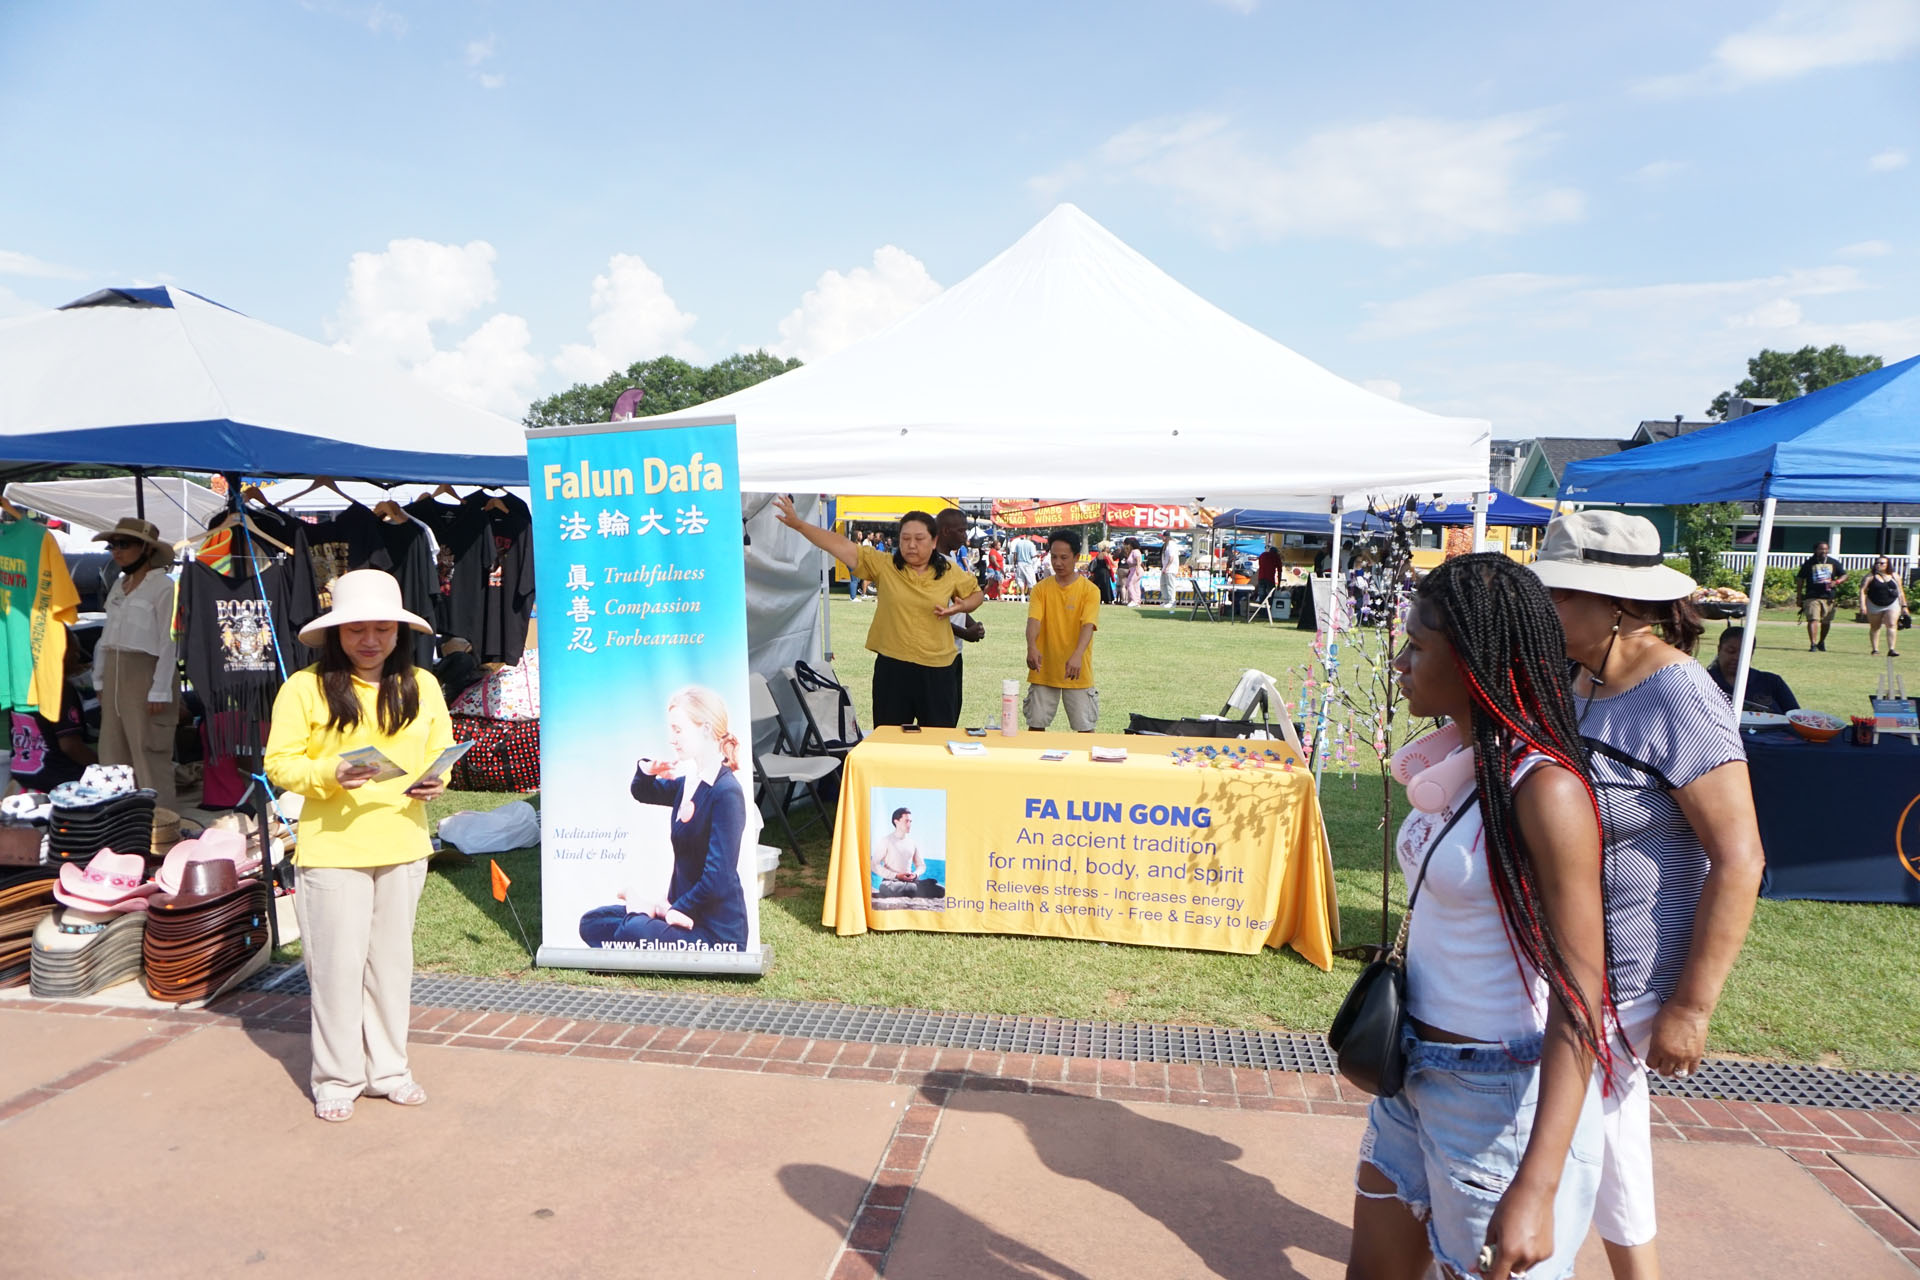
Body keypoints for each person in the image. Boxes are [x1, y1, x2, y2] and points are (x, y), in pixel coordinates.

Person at [1352, 552, 1609, 1280]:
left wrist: (1538, 1182)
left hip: (1496, 1095)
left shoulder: (1546, 790)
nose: (1401, 662)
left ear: (1474, 661)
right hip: (1410, 1076)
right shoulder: (1463, 762)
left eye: (1418, 647)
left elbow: (1581, 995)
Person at [1532, 511, 1765, 1280]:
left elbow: (1740, 859)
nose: (1545, 609)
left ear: (1620, 607)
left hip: (1629, 979)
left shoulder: (1679, 695)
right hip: (1567, 967)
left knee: (1567, 1142)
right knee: (1605, 1140)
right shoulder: (1574, 675)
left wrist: (1692, 1009)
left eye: (1560, 596)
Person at [264, 569, 451, 1124]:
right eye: (356, 630)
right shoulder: (304, 688)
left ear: (400, 631)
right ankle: (337, 1077)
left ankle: (390, 1070)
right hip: (332, 851)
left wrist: (436, 779)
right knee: (336, 970)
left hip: (404, 843)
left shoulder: (422, 684)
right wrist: (329, 772)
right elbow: (279, 762)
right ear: (336, 633)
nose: (370, 641)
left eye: (382, 629)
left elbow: (439, 747)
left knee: (391, 966)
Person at [774, 498, 982, 727]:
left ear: (934, 541)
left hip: (938, 671)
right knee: (887, 738)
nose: (911, 545)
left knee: (936, 742)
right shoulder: (884, 565)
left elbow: (976, 594)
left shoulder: (949, 570)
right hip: (893, 669)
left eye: (919, 539)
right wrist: (799, 524)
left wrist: (961, 606)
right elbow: (839, 545)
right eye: (905, 538)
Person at [580, 686, 750, 951]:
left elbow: (719, 876)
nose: (672, 739)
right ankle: (644, 913)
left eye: (678, 730)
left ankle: (642, 913)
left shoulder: (726, 792)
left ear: (705, 729)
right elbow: (643, 791)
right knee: (591, 922)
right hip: (678, 914)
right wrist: (646, 770)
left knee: (633, 929)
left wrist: (670, 909)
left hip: (715, 933)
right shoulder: (689, 784)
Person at [91, 517, 180, 808]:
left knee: (148, 752)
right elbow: (106, 636)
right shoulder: (119, 585)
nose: (116, 551)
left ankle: (161, 825)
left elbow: (170, 640)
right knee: (112, 752)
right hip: (116, 670)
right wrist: (100, 678)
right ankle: (120, 822)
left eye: (123, 544)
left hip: (147, 671)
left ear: (145, 548)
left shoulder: (163, 587)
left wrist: (159, 689)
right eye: (112, 545)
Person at [1025, 528, 1101, 732]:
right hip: (1044, 667)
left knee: (1085, 728)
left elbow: (1088, 625)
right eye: (1054, 557)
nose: (1057, 563)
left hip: (1078, 669)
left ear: (1076, 557)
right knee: (1036, 725)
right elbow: (1033, 620)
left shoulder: (1090, 591)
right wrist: (1031, 646)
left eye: (1064, 557)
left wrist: (1077, 655)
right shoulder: (1041, 589)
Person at [12, 634, 96, 790]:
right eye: (74, 651)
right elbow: (69, 746)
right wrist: (101, 765)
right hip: (60, 781)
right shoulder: (59, 688)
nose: (77, 657)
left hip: (22, 776)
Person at [1704, 628, 1799, 715]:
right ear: (1719, 649)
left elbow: (1796, 717)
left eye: (1744, 653)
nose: (1737, 658)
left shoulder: (1772, 682)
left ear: (1752, 653)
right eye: (1731, 651)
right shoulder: (1703, 681)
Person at [871, 807, 941, 898]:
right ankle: (916, 888)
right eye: (906, 821)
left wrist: (915, 874)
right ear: (896, 821)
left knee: (941, 890)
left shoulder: (912, 843)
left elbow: (921, 865)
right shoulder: (886, 841)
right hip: (891, 882)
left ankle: (913, 888)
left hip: (910, 881)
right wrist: (896, 875)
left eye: (910, 821)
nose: (909, 824)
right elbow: (874, 864)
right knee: (885, 887)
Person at [1795, 541, 1847, 652]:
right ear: (1815, 550)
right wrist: (1799, 596)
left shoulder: (1833, 563)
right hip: (1812, 596)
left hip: (1828, 597)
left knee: (1826, 622)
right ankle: (1813, 644)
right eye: (1821, 549)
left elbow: (1844, 575)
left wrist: (1836, 582)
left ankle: (1821, 642)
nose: (1824, 551)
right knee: (1813, 619)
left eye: (1826, 549)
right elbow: (1800, 579)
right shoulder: (1809, 563)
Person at [1862, 555, 1907, 657]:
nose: (1879, 565)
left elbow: (1900, 592)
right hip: (1874, 604)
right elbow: (1863, 591)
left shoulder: (1895, 576)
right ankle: (1875, 649)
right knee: (1875, 627)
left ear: (1887, 565)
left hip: (1892, 603)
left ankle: (1891, 649)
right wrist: (1863, 605)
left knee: (1892, 624)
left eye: (1882, 563)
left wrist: (1904, 606)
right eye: (1877, 563)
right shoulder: (1870, 576)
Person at [1256, 537, 1282, 606]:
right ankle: (1269, 609)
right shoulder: (1276, 557)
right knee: (1270, 595)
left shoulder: (1262, 555)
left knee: (1262, 594)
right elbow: (1279, 571)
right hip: (1269, 579)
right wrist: (1279, 584)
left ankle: (1261, 609)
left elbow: (1260, 565)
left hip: (1261, 577)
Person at [1122, 538, 1144, 606]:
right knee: (1136, 585)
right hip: (1133, 569)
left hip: (1136, 569)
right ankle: (1137, 600)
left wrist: (1137, 569)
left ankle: (1134, 600)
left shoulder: (1135, 551)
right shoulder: (1133, 552)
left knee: (1130, 584)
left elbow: (1138, 560)